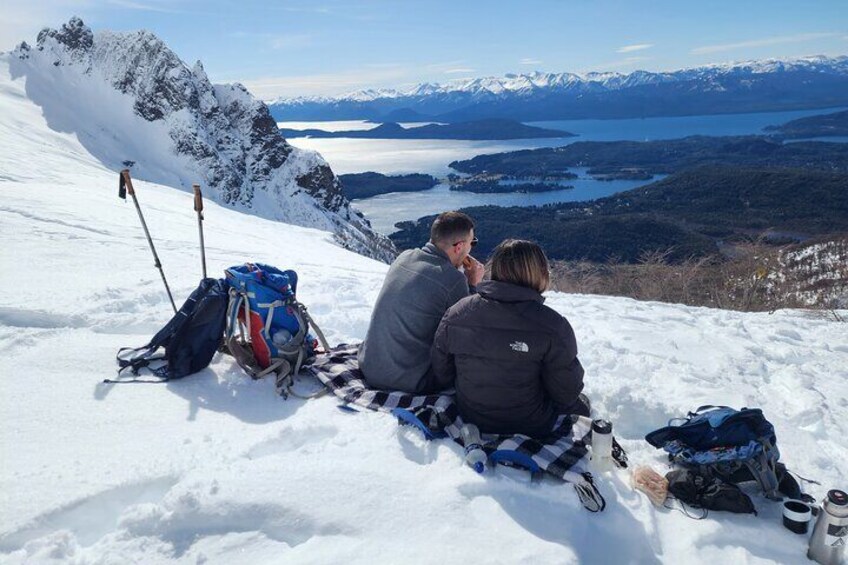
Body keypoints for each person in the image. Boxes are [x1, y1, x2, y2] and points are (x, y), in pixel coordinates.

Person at [431, 239, 588, 439]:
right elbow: (566, 393)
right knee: (582, 404)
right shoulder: (553, 325)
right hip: (532, 424)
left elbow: (442, 372)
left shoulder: (457, 313)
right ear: (539, 272)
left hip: (471, 416)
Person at [358, 211, 484, 393]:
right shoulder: (453, 279)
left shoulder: (404, 257)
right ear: (459, 247)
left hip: (370, 366)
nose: (472, 248)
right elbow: (469, 328)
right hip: (410, 381)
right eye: (472, 243)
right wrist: (473, 284)